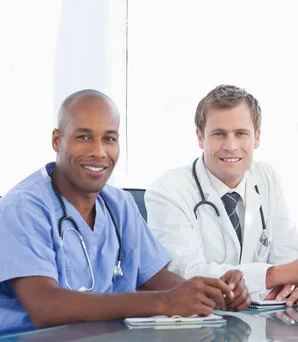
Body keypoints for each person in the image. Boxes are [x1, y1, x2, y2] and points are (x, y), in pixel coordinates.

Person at [0, 90, 250, 334]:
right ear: (57, 140)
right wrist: (163, 302)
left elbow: (154, 279)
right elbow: (44, 307)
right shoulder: (24, 208)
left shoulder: (119, 204)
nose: (98, 151)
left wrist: (211, 295)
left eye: (109, 139)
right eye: (84, 137)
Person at [145, 84, 298, 307]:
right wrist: (278, 275)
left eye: (241, 134)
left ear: (256, 138)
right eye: (219, 134)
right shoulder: (168, 189)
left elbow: (291, 258)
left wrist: (295, 286)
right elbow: (187, 275)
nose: (231, 146)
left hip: (263, 327)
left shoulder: (266, 177)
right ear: (200, 138)